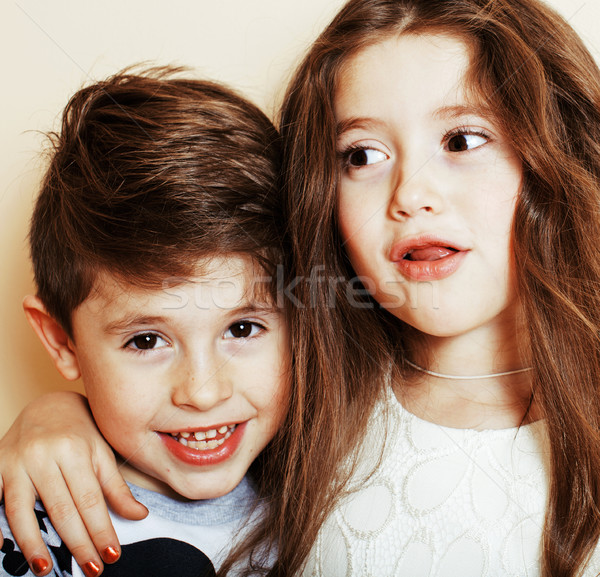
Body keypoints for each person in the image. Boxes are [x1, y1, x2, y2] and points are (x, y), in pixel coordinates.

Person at [3, 0, 600, 575]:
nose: (410, 195)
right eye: (362, 154)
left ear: (556, 150)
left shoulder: (298, 389)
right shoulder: (324, 399)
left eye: (462, 141)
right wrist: (55, 418)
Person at [0, 67, 292, 577]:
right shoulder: (28, 526)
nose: (202, 393)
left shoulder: (331, 498)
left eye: (242, 329)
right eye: (147, 340)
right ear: (60, 340)